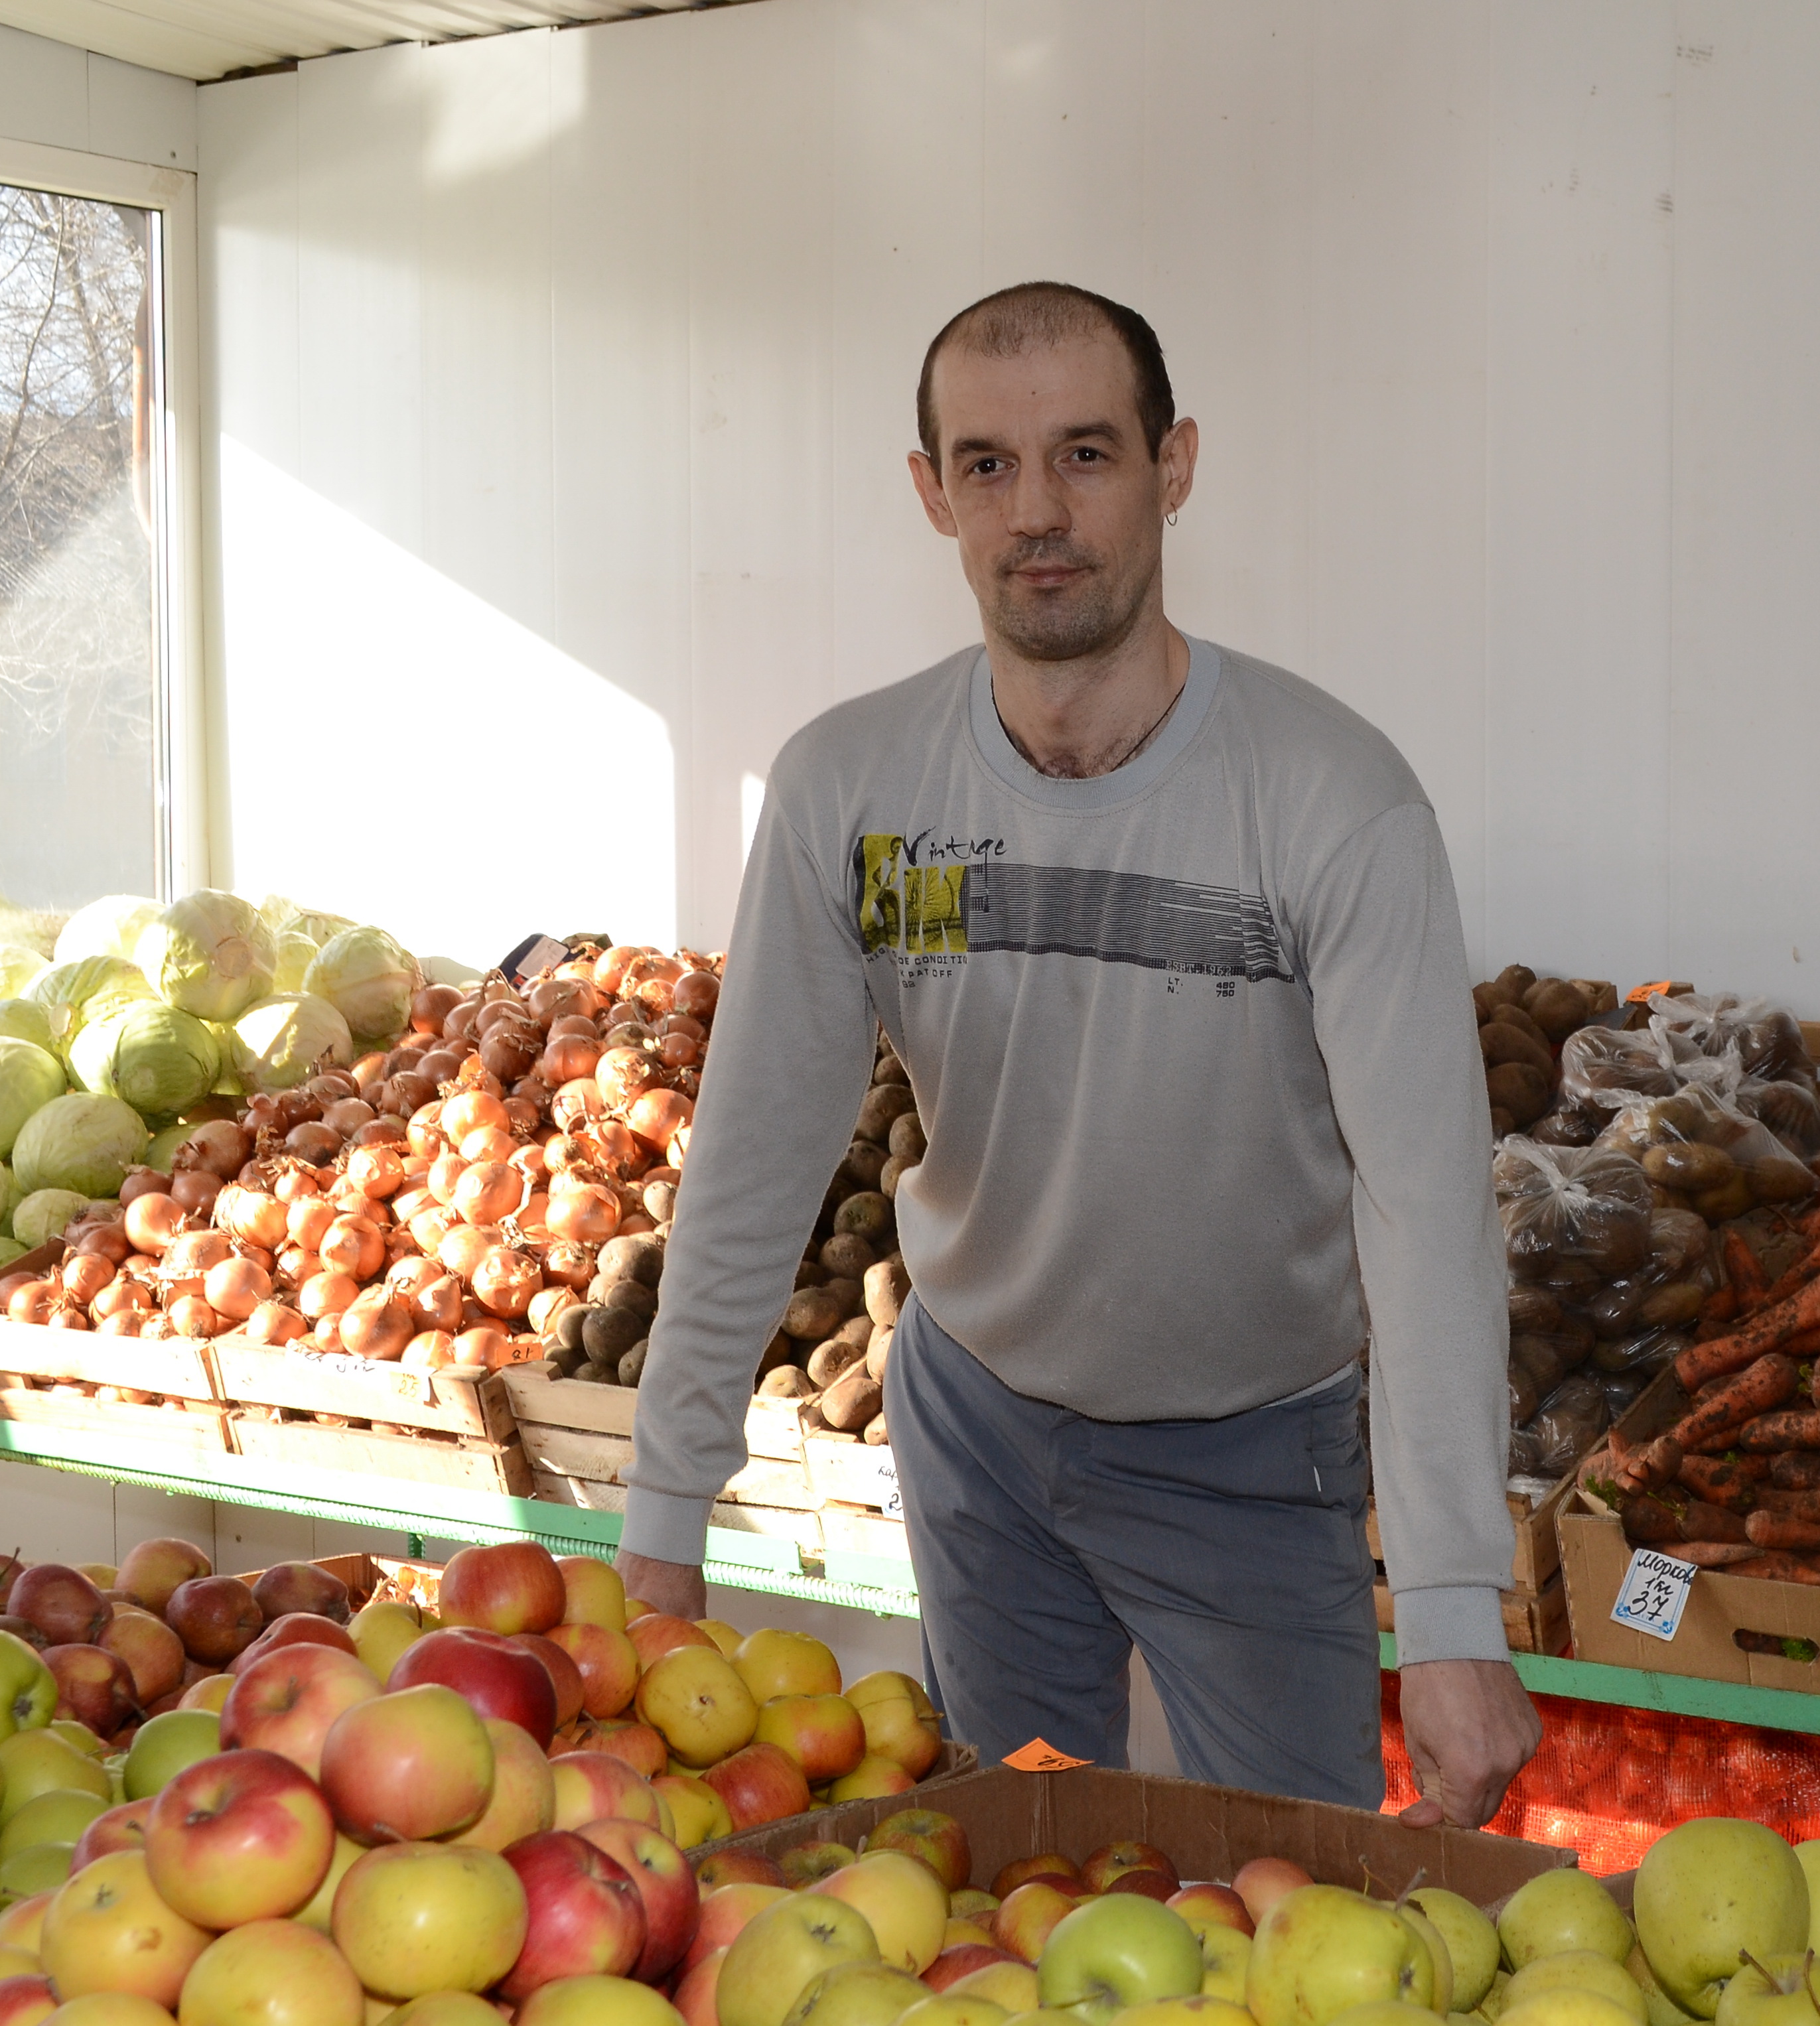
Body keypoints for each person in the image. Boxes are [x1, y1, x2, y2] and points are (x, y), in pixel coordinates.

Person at [619, 281, 1539, 1826]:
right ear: (930, 494)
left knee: (1287, 1894)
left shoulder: (1334, 800)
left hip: (1253, 1461)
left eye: (1087, 455)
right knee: (1027, 1841)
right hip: (979, 1446)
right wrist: (662, 1506)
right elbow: (755, 1153)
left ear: (1174, 466)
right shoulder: (851, 788)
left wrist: (1451, 1610)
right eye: (986, 464)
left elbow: (1427, 1212)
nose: (1037, 512)